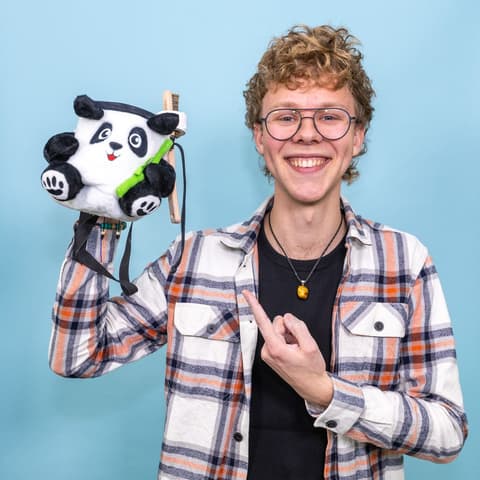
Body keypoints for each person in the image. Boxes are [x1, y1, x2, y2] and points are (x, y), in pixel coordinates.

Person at [49, 25, 467, 480]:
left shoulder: (404, 262)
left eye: (330, 117)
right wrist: (102, 211)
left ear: (358, 136)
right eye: (286, 117)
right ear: (259, 137)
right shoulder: (192, 259)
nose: (307, 135)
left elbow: (447, 433)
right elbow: (79, 355)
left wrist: (325, 391)